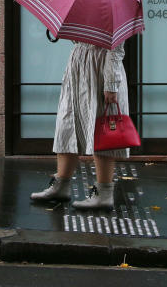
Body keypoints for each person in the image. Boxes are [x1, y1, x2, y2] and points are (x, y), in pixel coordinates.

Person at [30, 40, 130, 209]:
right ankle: (61, 185)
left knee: (101, 131)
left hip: (100, 71)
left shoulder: (112, 13)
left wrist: (111, 84)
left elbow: (116, 49)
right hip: (78, 69)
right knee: (67, 125)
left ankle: (104, 193)